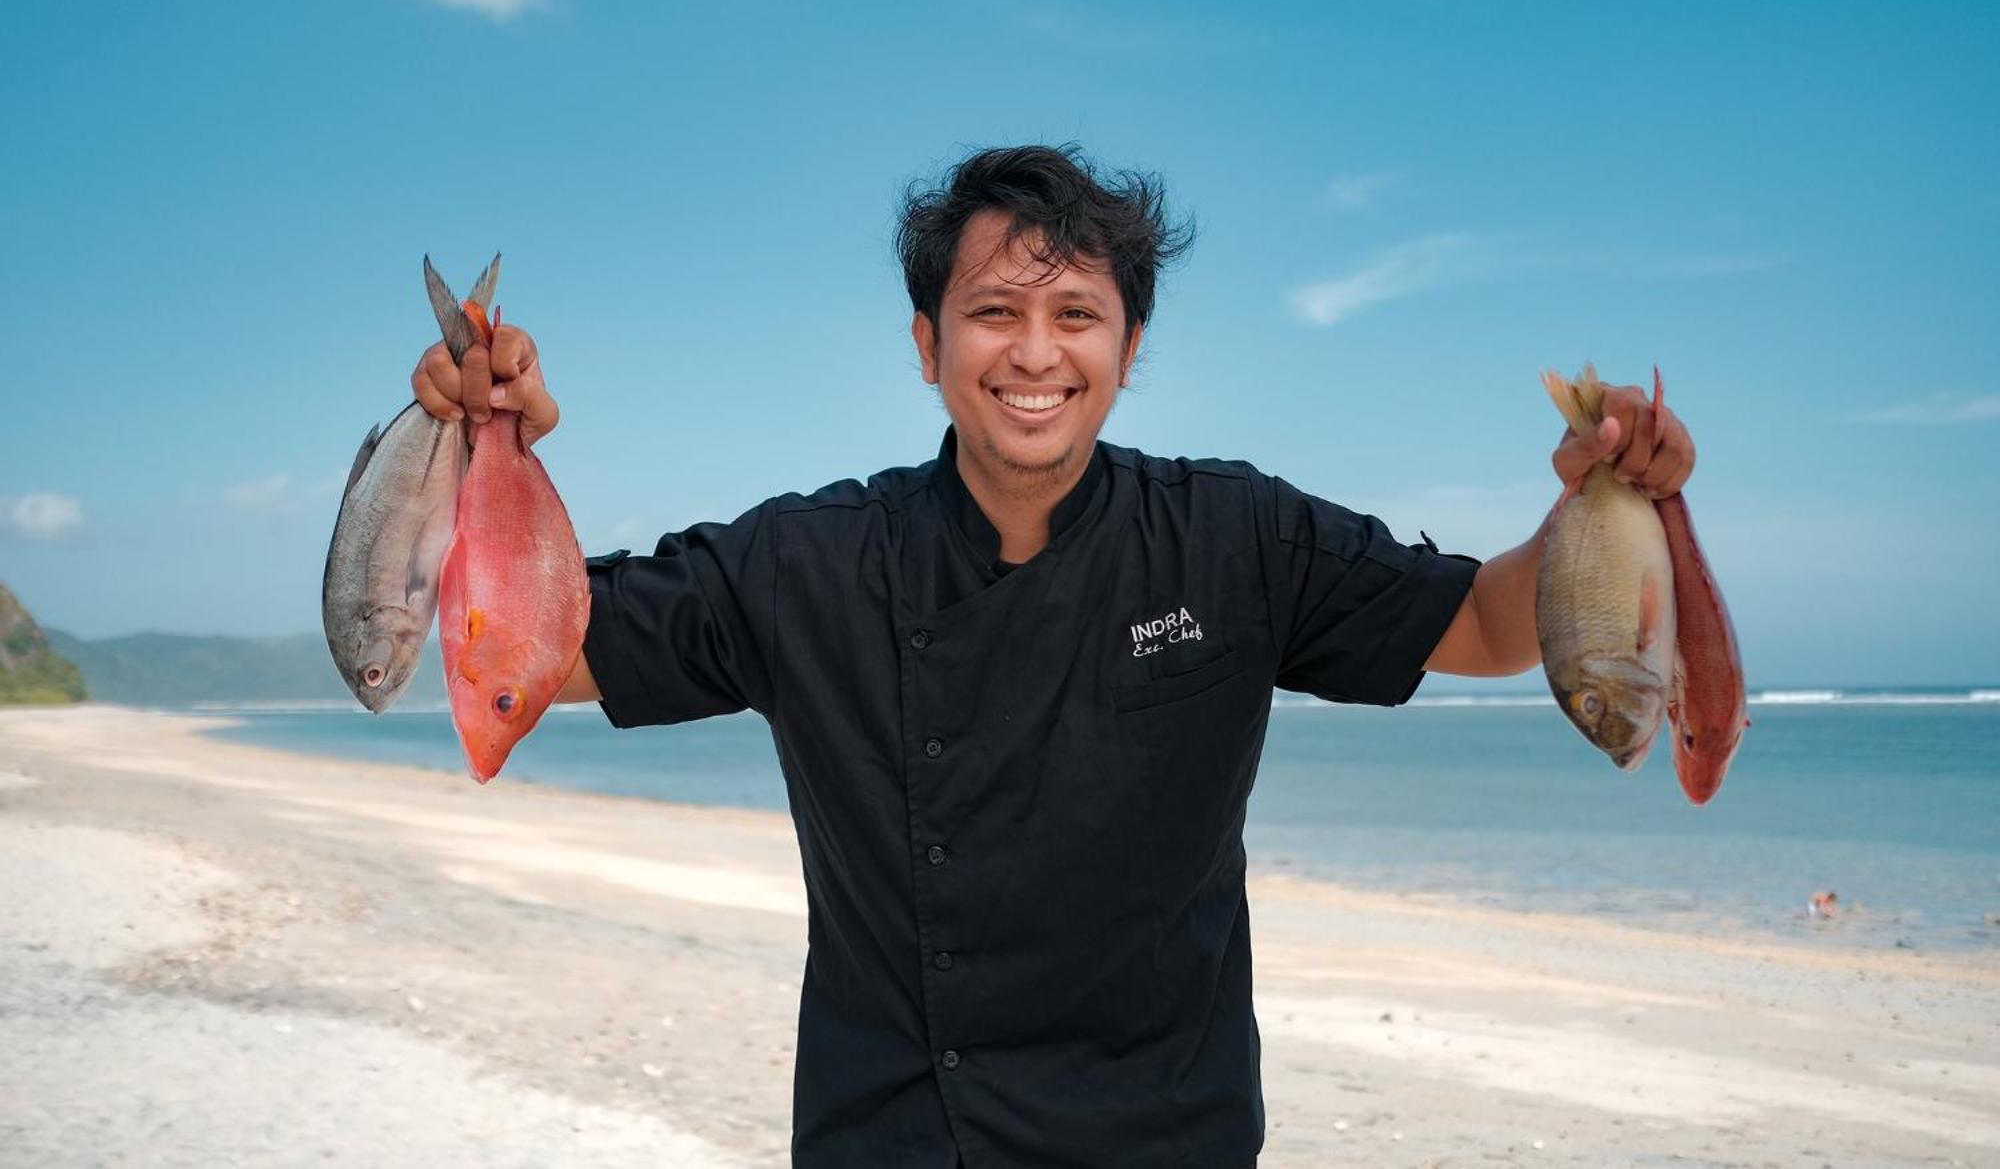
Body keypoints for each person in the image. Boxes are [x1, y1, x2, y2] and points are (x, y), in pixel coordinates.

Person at [411, 145, 1695, 1169]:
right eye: (992, 313)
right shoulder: (804, 562)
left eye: (1077, 313)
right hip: (894, 1142)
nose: (1034, 352)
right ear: (927, 348)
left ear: (1128, 352)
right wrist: (483, 450)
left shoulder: (1234, 537)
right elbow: (538, 654)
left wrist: (1598, 505)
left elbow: (1480, 622)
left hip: (1167, 1142)